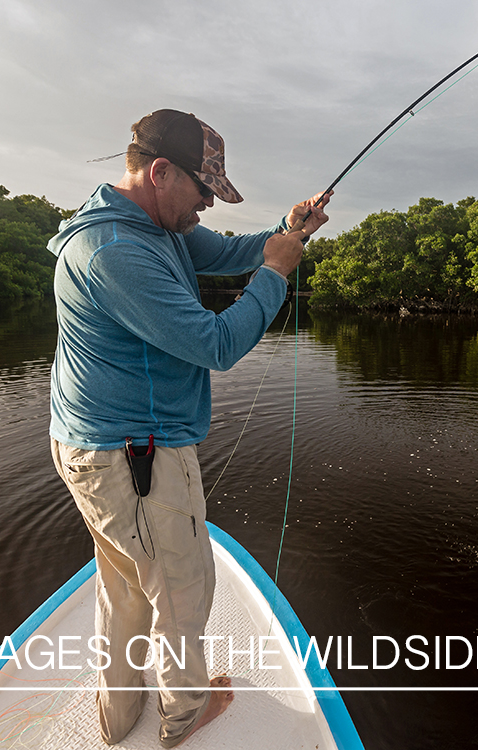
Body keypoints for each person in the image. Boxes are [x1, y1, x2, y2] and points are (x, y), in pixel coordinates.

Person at [47, 109, 329, 747]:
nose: (206, 207)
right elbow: (217, 342)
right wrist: (277, 275)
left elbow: (231, 250)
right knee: (181, 596)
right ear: (160, 171)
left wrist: (289, 232)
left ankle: (119, 719)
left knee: (126, 594)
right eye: (203, 192)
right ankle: (184, 718)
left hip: (104, 452)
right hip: (134, 460)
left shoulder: (155, 224)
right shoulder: (115, 250)